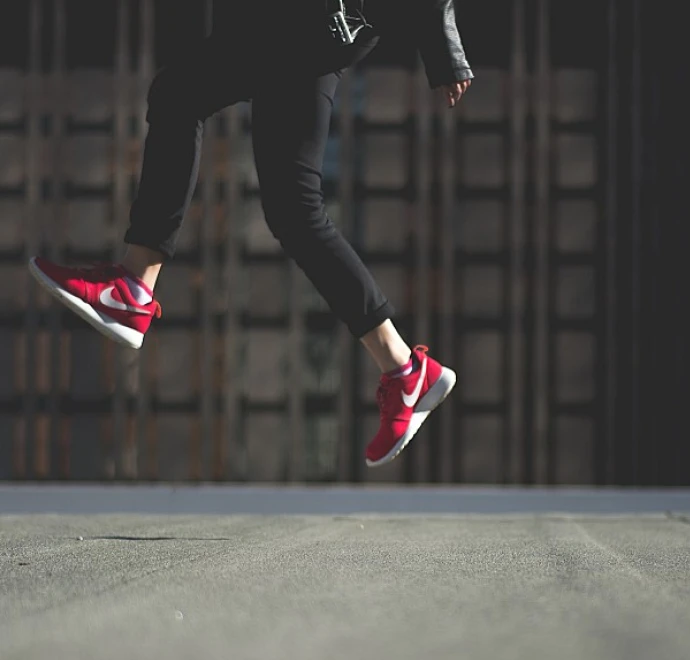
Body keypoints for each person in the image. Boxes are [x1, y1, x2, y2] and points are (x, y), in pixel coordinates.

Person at [28, 0, 473, 468]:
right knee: (294, 211)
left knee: (178, 94)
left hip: (305, 20)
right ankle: (404, 369)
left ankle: (133, 287)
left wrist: (446, 52)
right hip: (309, 29)